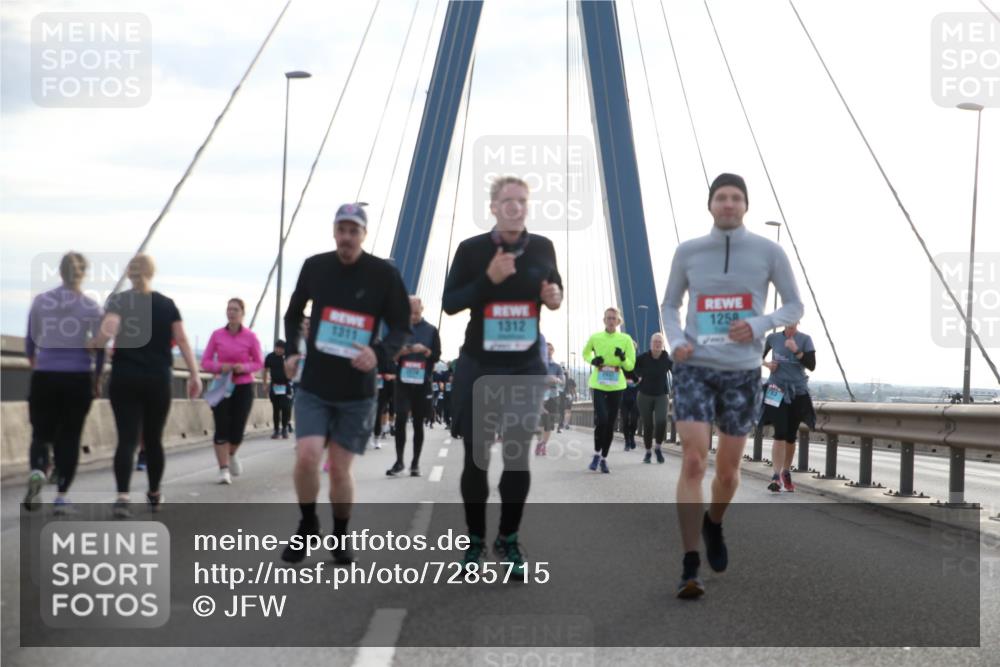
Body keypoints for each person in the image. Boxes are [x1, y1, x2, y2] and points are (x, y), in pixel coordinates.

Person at [660, 173, 804, 598]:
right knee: (692, 461)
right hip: (695, 369)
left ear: (745, 206)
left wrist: (759, 324)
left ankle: (714, 523)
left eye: (735, 198)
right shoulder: (688, 252)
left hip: (742, 372)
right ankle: (689, 563)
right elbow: (670, 303)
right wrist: (677, 340)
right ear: (710, 205)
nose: (728, 204)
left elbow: (794, 304)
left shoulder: (768, 251)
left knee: (728, 471)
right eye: (720, 197)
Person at [443, 175, 562, 575]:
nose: (515, 207)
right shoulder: (472, 250)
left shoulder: (543, 247)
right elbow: (450, 303)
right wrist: (487, 281)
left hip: (526, 366)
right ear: (493, 207)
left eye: (521, 201)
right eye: (507, 201)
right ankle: (475, 541)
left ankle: (508, 539)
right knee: (476, 458)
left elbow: (557, 292)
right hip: (481, 364)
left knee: (516, 456)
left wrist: (554, 298)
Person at [280, 203, 410, 565]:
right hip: (315, 385)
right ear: (334, 232)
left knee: (339, 468)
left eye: (354, 231)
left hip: (356, 391)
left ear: (364, 235)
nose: (347, 238)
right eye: (342, 230)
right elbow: (293, 315)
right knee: (307, 457)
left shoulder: (383, 274)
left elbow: (401, 325)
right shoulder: (316, 267)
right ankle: (307, 526)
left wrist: (379, 353)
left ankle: (340, 533)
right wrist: (292, 352)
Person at [91, 254, 202, 517]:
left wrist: (94, 345)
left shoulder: (119, 300)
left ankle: (122, 497)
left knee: (126, 439)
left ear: (129, 274)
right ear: (152, 273)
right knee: (153, 440)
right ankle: (154, 493)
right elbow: (183, 341)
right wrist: (194, 375)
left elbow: (108, 332)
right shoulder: (166, 304)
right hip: (157, 379)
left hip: (125, 377)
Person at [22, 252, 105, 513]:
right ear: (84, 274)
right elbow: (101, 348)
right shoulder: (92, 308)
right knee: (70, 437)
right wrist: (97, 379)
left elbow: (30, 341)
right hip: (78, 378)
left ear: (60, 272)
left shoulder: (41, 301)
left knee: (41, 433)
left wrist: (37, 363)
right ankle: (61, 496)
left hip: (45, 375)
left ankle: (37, 469)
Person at [201, 298, 263, 484]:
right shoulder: (217, 335)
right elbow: (205, 362)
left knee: (237, 430)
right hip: (222, 385)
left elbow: (259, 363)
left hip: (243, 386)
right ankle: (223, 469)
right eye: (229, 309)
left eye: (235, 309)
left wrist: (242, 368)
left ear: (242, 313)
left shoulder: (251, 337)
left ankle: (232, 453)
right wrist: (222, 367)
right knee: (221, 427)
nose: (231, 312)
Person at [387, 295, 441, 477]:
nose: (413, 316)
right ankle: (399, 461)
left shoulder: (431, 330)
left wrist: (425, 350)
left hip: (422, 381)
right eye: (410, 313)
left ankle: (415, 464)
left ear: (422, 310)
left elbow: (436, 356)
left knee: (418, 422)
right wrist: (403, 351)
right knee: (401, 418)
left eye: (416, 313)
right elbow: (389, 356)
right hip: (402, 381)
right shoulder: (399, 329)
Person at [761, 322, 816, 492]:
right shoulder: (773, 338)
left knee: (791, 435)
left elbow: (812, 365)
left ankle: (786, 471)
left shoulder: (805, 339)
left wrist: (797, 352)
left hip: (797, 391)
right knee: (780, 432)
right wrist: (767, 365)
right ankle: (776, 476)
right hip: (775, 389)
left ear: (798, 321)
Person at [582, 308, 636, 473]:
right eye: (608, 318)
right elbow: (585, 353)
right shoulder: (595, 337)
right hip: (598, 384)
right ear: (604, 320)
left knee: (610, 423)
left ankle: (604, 458)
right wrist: (593, 360)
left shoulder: (625, 339)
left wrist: (622, 358)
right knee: (602, 420)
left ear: (618, 321)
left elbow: (630, 365)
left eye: (614, 318)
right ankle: (596, 454)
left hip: (616, 385)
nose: (611, 321)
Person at [634, 332, 673, 464]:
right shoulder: (642, 358)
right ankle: (648, 452)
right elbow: (632, 368)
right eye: (655, 342)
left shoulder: (667, 359)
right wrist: (637, 376)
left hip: (662, 395)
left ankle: (658, 448)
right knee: (648, 425)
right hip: (644, 395)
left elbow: (677, 372)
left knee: (661, 421)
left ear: (662, 345)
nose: (657, 344)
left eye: (659, 342)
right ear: (651, 344)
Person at [536, 341, 564, 456]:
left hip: (552, 396)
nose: (548, 351)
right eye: (546, 349)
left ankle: (542, 444)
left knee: (548, 423)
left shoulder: (557, 367)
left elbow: (563, 383)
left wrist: (556, 380)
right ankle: (540, 443)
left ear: (553, 351)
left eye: (550, 349)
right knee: (539, 423)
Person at [263, 340, 293, 439]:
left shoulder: (287, 357)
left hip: (286, 385)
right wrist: (265, 383)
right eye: (277, 348)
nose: (279, 350)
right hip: (275, 385)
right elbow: (265, 370)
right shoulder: (270, 357)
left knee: (285, 407)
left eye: (281, 348)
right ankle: (276, 430)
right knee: (276, 408)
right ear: (275, 347)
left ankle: (284, 428)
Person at [620, 339, 640, 451]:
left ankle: (632, 435)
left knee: (634, 419)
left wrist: (639, 380)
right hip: (623, 394)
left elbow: (642, 376)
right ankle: (627, 441)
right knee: (625, 419)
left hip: (636, 394)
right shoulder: (620, 362)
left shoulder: (639, 362)